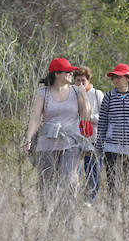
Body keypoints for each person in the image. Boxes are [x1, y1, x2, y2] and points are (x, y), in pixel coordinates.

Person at [23, 58, 92, 213]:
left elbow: (86, 115)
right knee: (46, 183)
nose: (71, 74)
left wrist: (84, 94)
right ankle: (47, 215)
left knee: (69, 179)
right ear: (57, 74)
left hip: (71, 143)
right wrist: (28, 138)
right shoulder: (44, 93)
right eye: (67, 72)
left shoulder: (76, 90)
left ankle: (67, 216)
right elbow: (35, 118)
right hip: (46, 142)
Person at [95, 64, 129, 198]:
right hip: (112, 146)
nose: (115, 80)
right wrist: (99, 144)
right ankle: (114, 208)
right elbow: (102, 121)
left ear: (128, 78)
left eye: (119, 77)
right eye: (114, 77)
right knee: (112, 181)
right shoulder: (108, 96)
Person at [73, 66, 104, 202]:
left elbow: (104, 117)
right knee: (74, 174)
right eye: (77, 80)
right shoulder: (70, 94)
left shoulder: (97, 94)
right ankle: (71, 200)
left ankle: (89, 201)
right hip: (75, 140)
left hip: (93, 139)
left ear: (89, 80)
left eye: (83, 81)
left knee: (93, 173)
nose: (80, 84)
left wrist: (89, 117)